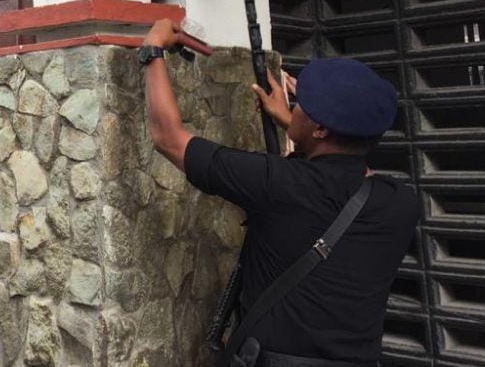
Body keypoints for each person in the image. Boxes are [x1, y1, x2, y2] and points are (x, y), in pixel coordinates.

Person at [140, 19, 419, 367]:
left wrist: (153, 48)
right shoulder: (400, 203)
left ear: (320, 130)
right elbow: (339, 168)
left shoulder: (279, 184)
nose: (295, 104)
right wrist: (293, 123)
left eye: (302, 104)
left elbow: (168, 138)